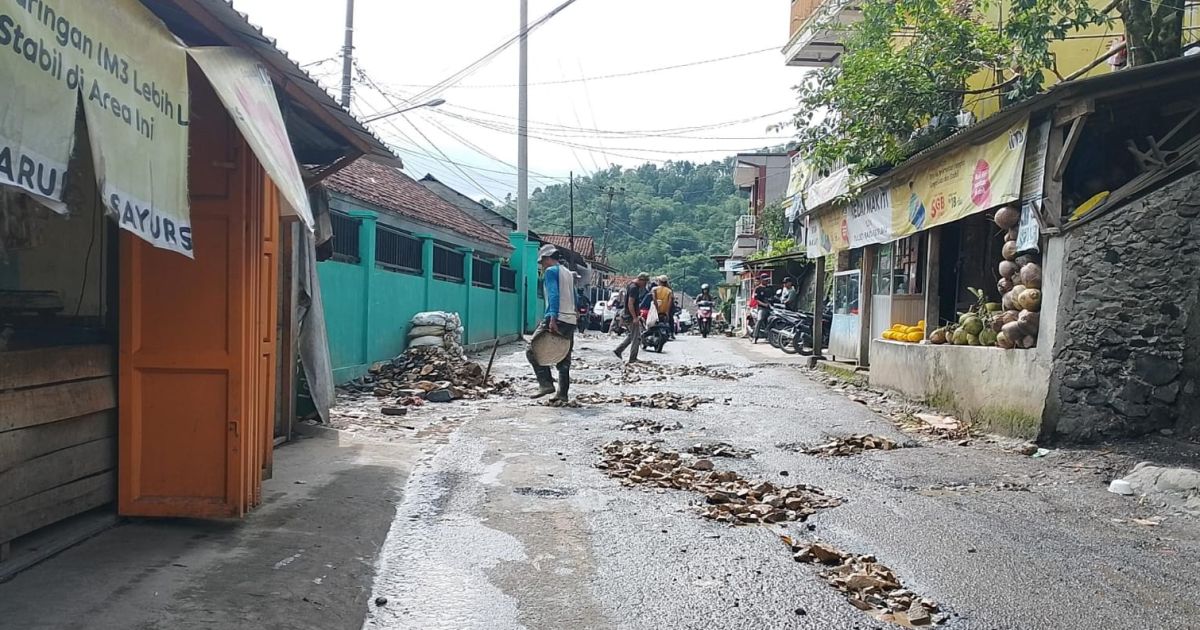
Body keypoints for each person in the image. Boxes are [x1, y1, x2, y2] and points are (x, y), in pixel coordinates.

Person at [526, 244, 577, 401]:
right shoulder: (568, 273)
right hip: (570, 318)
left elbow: (553, 295)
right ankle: (562, 394)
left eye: (542, 262)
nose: (542, 265)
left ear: (547, 258)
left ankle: (546, 383)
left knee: (532, 349)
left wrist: (552, 318)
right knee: (564, 356)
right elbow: (575, 296)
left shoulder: (551, 271)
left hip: (557, 317)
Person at [614, 272, 650, 362]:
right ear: (641, 280)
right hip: (630, 315)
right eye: (645, 282)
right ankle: (633, 358)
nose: (645, 285)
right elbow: (630, 303)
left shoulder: (631, 285)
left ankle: (618, 350)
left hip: (628, 314)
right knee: (636, 337)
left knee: (632, 335)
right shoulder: (634, 288)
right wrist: (634, 317)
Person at [751, 272, 774, 343]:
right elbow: (756, 300)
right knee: (760, 319)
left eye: (767, 280)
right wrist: (764, 304)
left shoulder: (770, 288)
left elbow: (774, 296)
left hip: (772, 307)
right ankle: (755, 337)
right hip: (762, 308)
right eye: (765, 280)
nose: (767, 282)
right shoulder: (758, 289)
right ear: (761, 280)